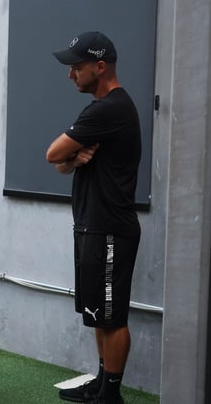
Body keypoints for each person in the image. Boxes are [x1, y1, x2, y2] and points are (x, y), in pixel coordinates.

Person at [46, 31, 141, 404]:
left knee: (112, 316)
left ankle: (111, 395)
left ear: (100, 67)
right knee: (98, 312)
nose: (71, 75)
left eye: (77, 67)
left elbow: (51, 154)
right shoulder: (101, 108)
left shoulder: (109, 109)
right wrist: (73, 159)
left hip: (110, 228)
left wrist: (65, 157)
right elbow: (62, 165)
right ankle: (102, 383)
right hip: (92, 224)